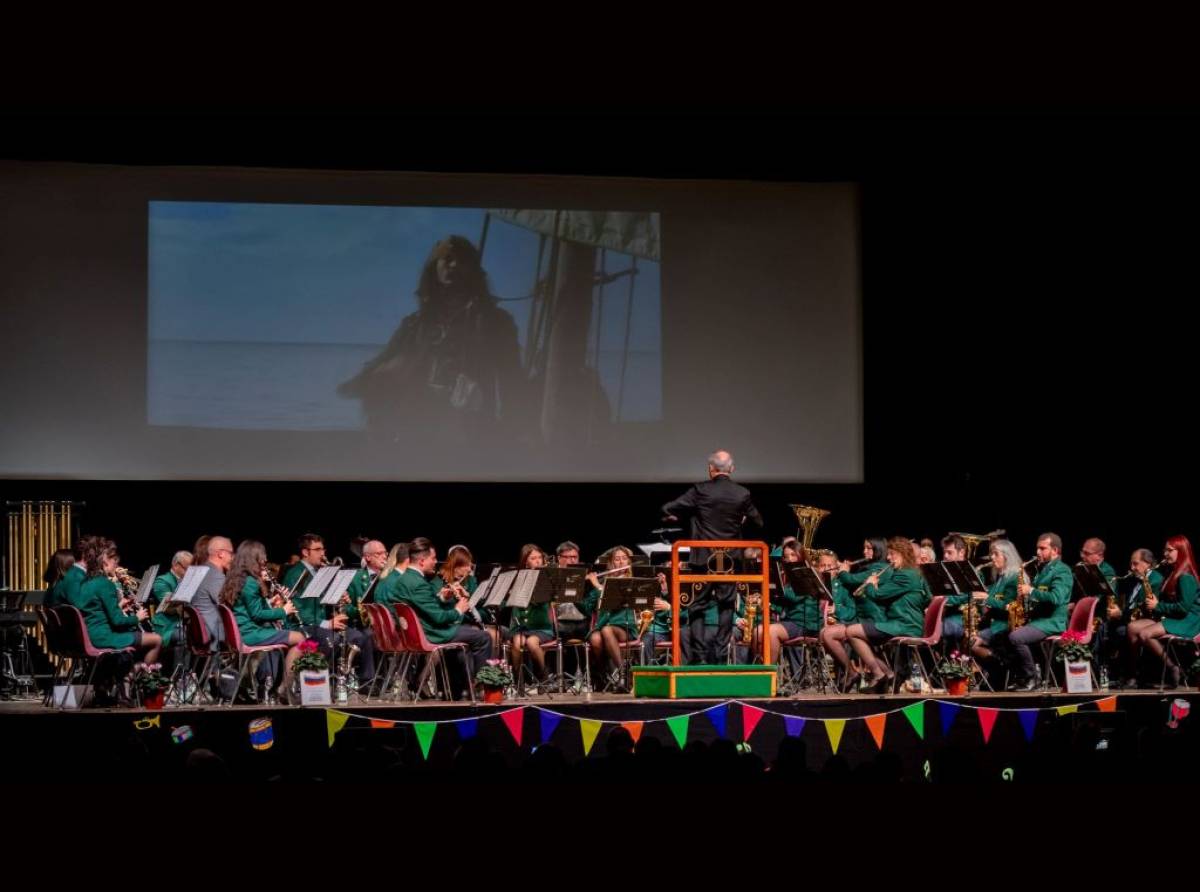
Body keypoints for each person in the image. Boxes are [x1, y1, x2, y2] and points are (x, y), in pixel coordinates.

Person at [337, 235, 526, 441]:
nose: (454, 265)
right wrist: (366, 385)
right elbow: (385, 361)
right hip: (418, 432)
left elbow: (513, 383)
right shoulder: (414, 324)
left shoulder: (496, 322)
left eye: (462, 260)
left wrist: (512, 433)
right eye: (448, 258)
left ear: (473, 270)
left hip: (472, 433)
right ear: (435, 267)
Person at [662, 450, 763, 665]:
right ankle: (720, 655)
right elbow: (758, 522)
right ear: (732, 469)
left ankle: (699, 657)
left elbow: (669, 507)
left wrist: (686, 515)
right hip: (729, 560)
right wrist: (740, 520)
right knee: (726, 605)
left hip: (703, 559)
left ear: (710, 469)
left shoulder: (700, 490)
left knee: (697, 605)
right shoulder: (742, 493)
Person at [1127, 535, 1200, 687]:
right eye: (1165, 550)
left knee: (1145, 634)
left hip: (1188, 621)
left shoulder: (1186, 576)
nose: (1165, 554)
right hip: (1175, 617)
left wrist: (1157, 606)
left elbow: (1183, 608)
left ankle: (1173, 668)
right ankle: (1134, 674)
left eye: (1170, 550)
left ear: (1181, 551)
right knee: (1132, 628)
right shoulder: (1173, 572)